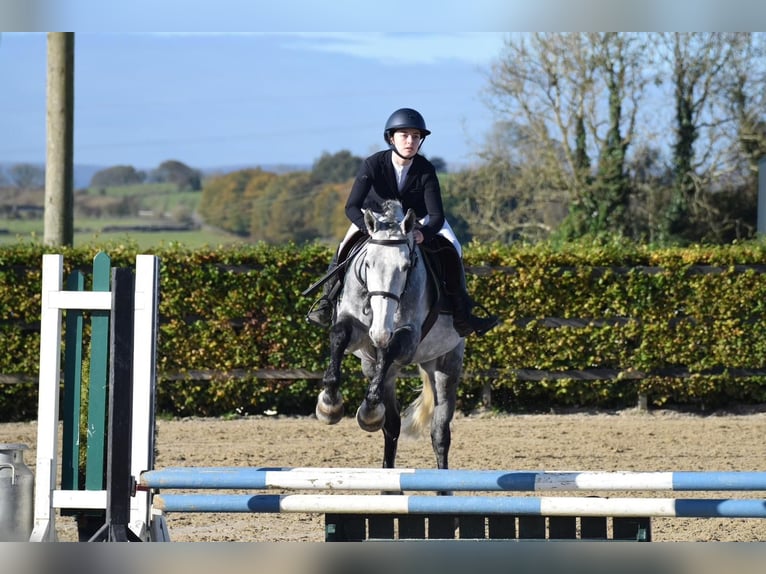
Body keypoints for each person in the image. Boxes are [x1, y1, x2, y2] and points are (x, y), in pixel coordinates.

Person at [306, 107, 499, 337]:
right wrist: (366, 227)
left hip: (415, 220)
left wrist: (424, 234)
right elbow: (351, 207)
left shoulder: (425, 169)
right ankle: (326, 303)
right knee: (344, 247)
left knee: (453, 247)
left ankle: (463, 313)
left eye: (416, 136)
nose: (410, 141)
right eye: (404, 135)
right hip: (375, 219)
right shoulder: (373, 164)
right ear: (391, 138)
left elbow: (437, 216)